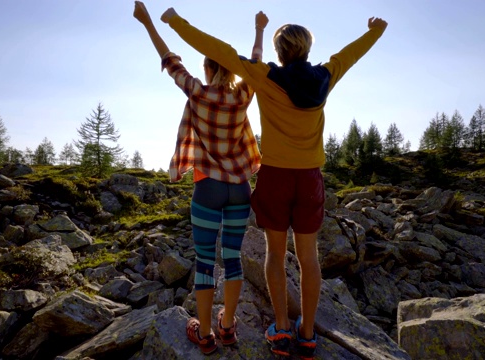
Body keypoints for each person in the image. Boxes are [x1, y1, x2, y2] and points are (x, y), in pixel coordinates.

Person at [160, 8, 388, 359]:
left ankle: (281, 331)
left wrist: (176, 23)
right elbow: (350, 55)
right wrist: (375, 31)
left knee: (275, 255)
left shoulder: (265, 76)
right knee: (309, 260)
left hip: (276, 177)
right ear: (307, 49)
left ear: (279, 52)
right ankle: (308, 335)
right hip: (310, 178)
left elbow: (216, 48)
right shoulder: (326, 76)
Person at [133, 2, 268, 355]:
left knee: (205, 261)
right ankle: (227, 327)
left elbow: (168, 59)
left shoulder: (198, 91)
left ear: (207, 69)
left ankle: (205, 334)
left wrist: (147, 22)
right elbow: (254, 62)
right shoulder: (243, 95)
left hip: (207, 187)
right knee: (234, 258)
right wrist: (259, 30)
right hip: (240, 187)